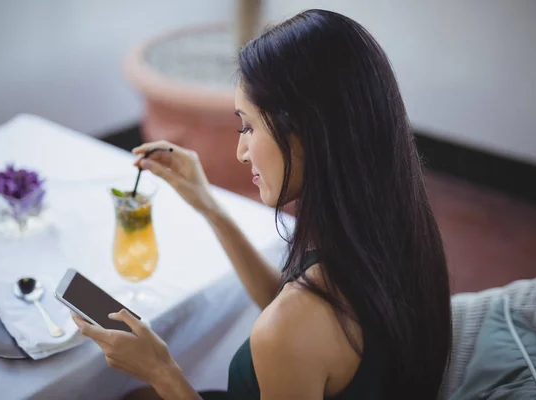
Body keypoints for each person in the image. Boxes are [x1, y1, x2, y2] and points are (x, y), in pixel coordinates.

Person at [72, 8, 452, 399]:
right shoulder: (392, 227)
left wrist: (161, 371)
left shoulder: (294, 326)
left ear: (306, 132)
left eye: (249, 127)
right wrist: (210, 207)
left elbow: (294, 321)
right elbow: (291, 304)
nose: (241, 151)